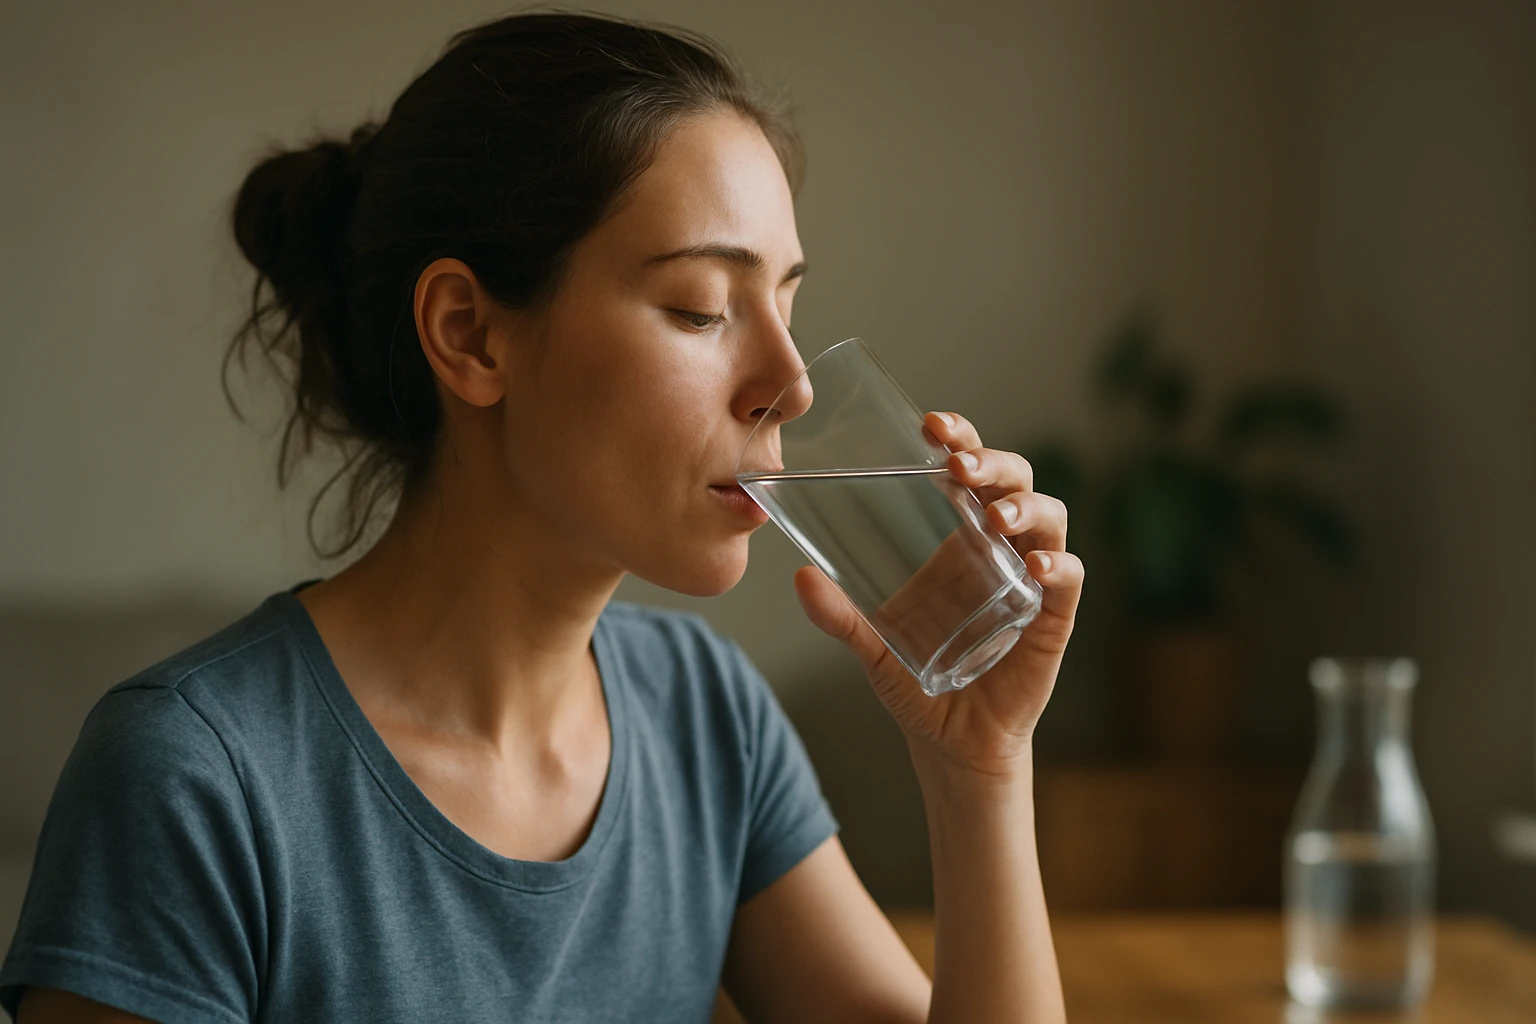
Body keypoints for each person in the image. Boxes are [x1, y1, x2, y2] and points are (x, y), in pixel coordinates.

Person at [1, 11, 1081, 1024]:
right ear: (470, 335)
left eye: (788, 306)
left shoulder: (706, 721)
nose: (790, 385)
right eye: (703, 307)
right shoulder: (197, 776)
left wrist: (979, 766)